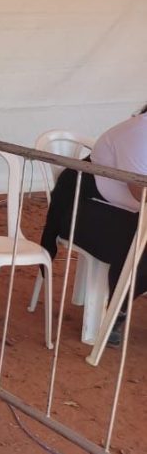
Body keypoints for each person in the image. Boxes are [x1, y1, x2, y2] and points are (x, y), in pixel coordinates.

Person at [41, 103, 147, 346]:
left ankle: (122, 299)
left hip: (123, 213)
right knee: (139, 243)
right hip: (81, 210)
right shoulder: (139, 134)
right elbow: (141, 192)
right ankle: (116, 310)